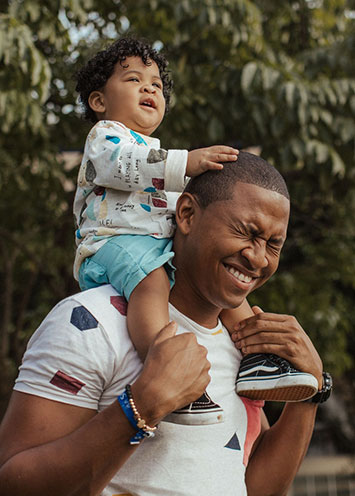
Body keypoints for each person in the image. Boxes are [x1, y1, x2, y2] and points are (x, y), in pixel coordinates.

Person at [0, 153, 331, 495]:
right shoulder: (91, 321)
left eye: (273, 245)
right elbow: (13, 483)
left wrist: (311, 391)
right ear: (186, 214)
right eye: (246, 233)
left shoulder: (242, 345)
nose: (258, 257)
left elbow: (253, 486)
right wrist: (140, 407)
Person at [73, 37, 317, 420]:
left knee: (230, 297)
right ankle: (166, 365)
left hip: (150, 244)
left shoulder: (153, 151)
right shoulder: (105, 139)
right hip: (111, 243)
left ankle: (258, 361)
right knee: (152, 281)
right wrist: (186, 162)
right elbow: (120, 165)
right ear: (99, 101)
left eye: (155, 84)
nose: (149, 88)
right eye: (134, 80)